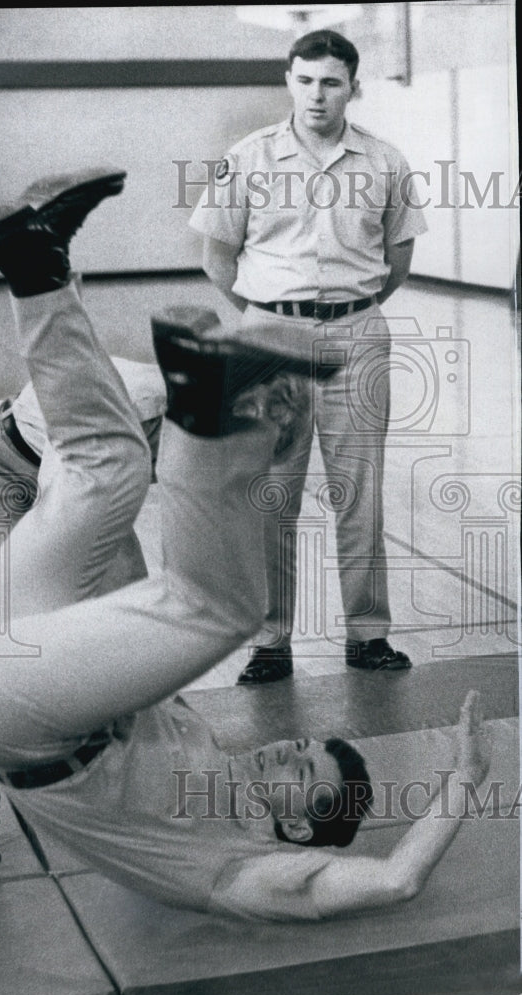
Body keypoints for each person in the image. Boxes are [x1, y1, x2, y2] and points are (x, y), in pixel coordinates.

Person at [0, 169, 490, 920]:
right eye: (307, 745)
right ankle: (37, 268)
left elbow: (396, 880)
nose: (285, 747)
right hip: (8, 654)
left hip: (19, 722)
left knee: (221, 608)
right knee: (108, 467)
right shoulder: (195, 752)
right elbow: (125, 600)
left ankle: (213, 402)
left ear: (296, 826)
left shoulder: (239, 868)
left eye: (302, 768)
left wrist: (465, 777)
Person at [189, 29, 428, 683]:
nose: (315, 94)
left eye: (329, 81)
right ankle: (270, 641)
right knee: (270, 493)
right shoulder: (248, 157)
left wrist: (344, 311)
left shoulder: (384, 161)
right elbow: (216, 255)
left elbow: (397, 258)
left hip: (357, 334)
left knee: (360, 492)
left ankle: (367, 634)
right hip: (271, 339)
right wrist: (268, 317)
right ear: (287, 81)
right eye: (304, 80)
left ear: (353, 85)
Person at [0, 360, 166, 867]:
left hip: (77, 477)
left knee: (138, 628)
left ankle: (152, 778)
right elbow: (59, 528)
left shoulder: (195, 420)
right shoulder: (120, 414)